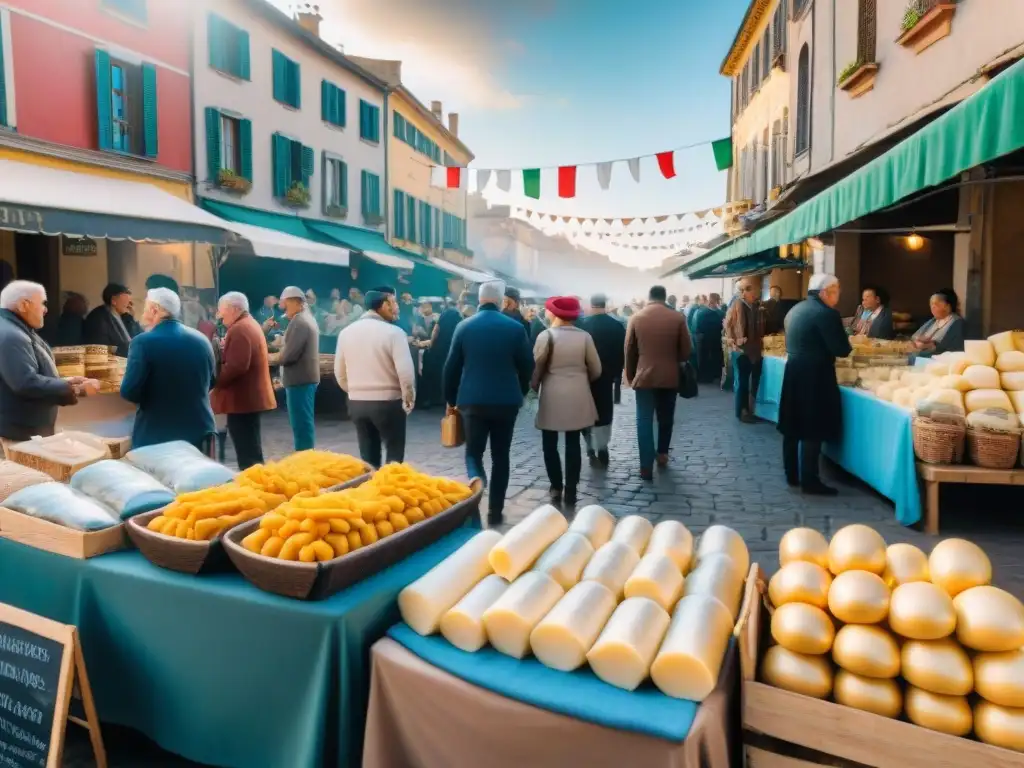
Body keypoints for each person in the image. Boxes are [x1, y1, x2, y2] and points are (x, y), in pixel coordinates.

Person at [444, 281, 533, 523]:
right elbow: (528, 366)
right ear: (501, 299)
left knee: (473, 453)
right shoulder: (515, 328)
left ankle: (476, 479)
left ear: (479, 299)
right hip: (506, 401)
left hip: (472, 400)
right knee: (501, 456)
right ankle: (495, 510)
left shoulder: (464, 326)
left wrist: (451, 399)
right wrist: (521, 391)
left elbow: (450, 368)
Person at [0, 281, 99, 447]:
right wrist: (74, 389)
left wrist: (66, 381)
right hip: (19, 432)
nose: (46, 310)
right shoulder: (11, 335)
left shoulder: (17, 328)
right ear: (24, 305)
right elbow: (25, 383)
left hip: (25, 429)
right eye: (43, 303)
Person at [778, 274, 852, 495]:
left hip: (793, 370)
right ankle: (810, 480)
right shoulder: (827, 314)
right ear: (824, 292)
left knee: (792, 425)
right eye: (836, 290)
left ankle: (792, 475)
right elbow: (841, 349)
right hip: (815, 375)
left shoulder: (795, 310)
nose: (838, 294)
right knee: (812, 426)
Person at [120, 288, 216, 450]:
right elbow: (211, 382)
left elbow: (130, 392)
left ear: (154, 310)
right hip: (199, 430)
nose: (142, 313)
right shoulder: (202, 340)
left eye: (145, 308)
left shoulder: (142, 342)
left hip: (158, 435)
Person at [534, 296, 601, 507]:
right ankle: (571, 489)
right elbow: (596, 368)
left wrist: (534, 385)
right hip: (578, 393)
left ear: (554, 313)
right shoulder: (585, 337)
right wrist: (581, 378)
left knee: (549, 443)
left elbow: (536, 367)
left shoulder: (545, 336)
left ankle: (556, 486)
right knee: (573, 442)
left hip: (552, 394)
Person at [335, 290, 416, 467]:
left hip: (357, 403)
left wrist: (355, 390)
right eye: (394, 303)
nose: (397, 308)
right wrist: (408, 397)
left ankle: (369, 490)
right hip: (387, 403)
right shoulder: (395, 333)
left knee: (368, 457)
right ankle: (388, 491)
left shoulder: (346, 332)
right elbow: (406, 372)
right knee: (394, 455)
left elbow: (339, 373)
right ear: (384, 305)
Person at [626, 285, 692, 480]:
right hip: (669, 375)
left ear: (649, 297)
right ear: (664, 298)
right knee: (666, 416)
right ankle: (662, 453)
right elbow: (686, 351)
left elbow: (629, 350)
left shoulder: (636, 318)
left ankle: (645, 465)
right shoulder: (678, 318)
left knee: (644, 419)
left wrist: (631, 376)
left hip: (644, 376)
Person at [210, 292, 276, 470]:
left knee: (247, 452)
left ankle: (254, 486)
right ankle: (257, 482)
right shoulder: (248, 324)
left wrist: (214, 381)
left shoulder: (240, 328)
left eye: (222, 311)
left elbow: (237, 366)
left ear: (234, 309)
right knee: (251, 448)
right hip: (248, 399)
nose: (220, 316)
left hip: (242, 400)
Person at [580, 293, 626, 466]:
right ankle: (603, 448)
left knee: (585, 412)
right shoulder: (616, 325)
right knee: (604, 413)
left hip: (585, 377)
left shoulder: (583, 325)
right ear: (605, 304)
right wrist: (617, 373)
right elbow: (622, 352)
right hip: (606, 377)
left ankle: (590, 447)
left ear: (591, 305)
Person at [277, 286, 321, 451]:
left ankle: (304, 460)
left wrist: (269, 357)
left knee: (301, 425)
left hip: (299, 380)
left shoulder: (299, 322)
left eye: (286, 304)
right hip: (304, 379)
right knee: (303, 423)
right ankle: (305, 457)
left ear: (296, 302)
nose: (284, 308)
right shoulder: (305, 318)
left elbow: (288, 356)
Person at [724, 278, 766, 423]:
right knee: (742, 382)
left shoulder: (754, 306)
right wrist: (735, 339)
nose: (757, 293)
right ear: (745, 291)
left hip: (753, 350)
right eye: (754, 290)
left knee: (748, 381)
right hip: (741, 351)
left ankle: (748, 410)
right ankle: (742, 411)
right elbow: (728, 325)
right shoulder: (737, 305)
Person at [910, 289, 965, 360]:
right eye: (931, 304)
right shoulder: (933, 321)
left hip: (938, 360)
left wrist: (933, 346)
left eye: (936, 304)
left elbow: (955, 349)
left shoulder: (958, 323)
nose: (932, 307)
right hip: (920, 357)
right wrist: (918, 341)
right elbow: (915, 337)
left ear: (948, 306)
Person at [83, 283, 134, 356]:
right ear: (113, 300)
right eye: (126, 302)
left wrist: (131, 318)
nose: (129, 305)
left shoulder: (123, 316)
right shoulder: (98, 318)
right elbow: (102, 348)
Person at [689, 292, 726, 383]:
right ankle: (714, 375)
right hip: (714, 338)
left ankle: (705, 376)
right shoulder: (719, 313)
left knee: (705, 357)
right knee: (713, 356)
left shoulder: (702, 312)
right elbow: (723, 326)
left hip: (706, 338)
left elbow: (697, 326)